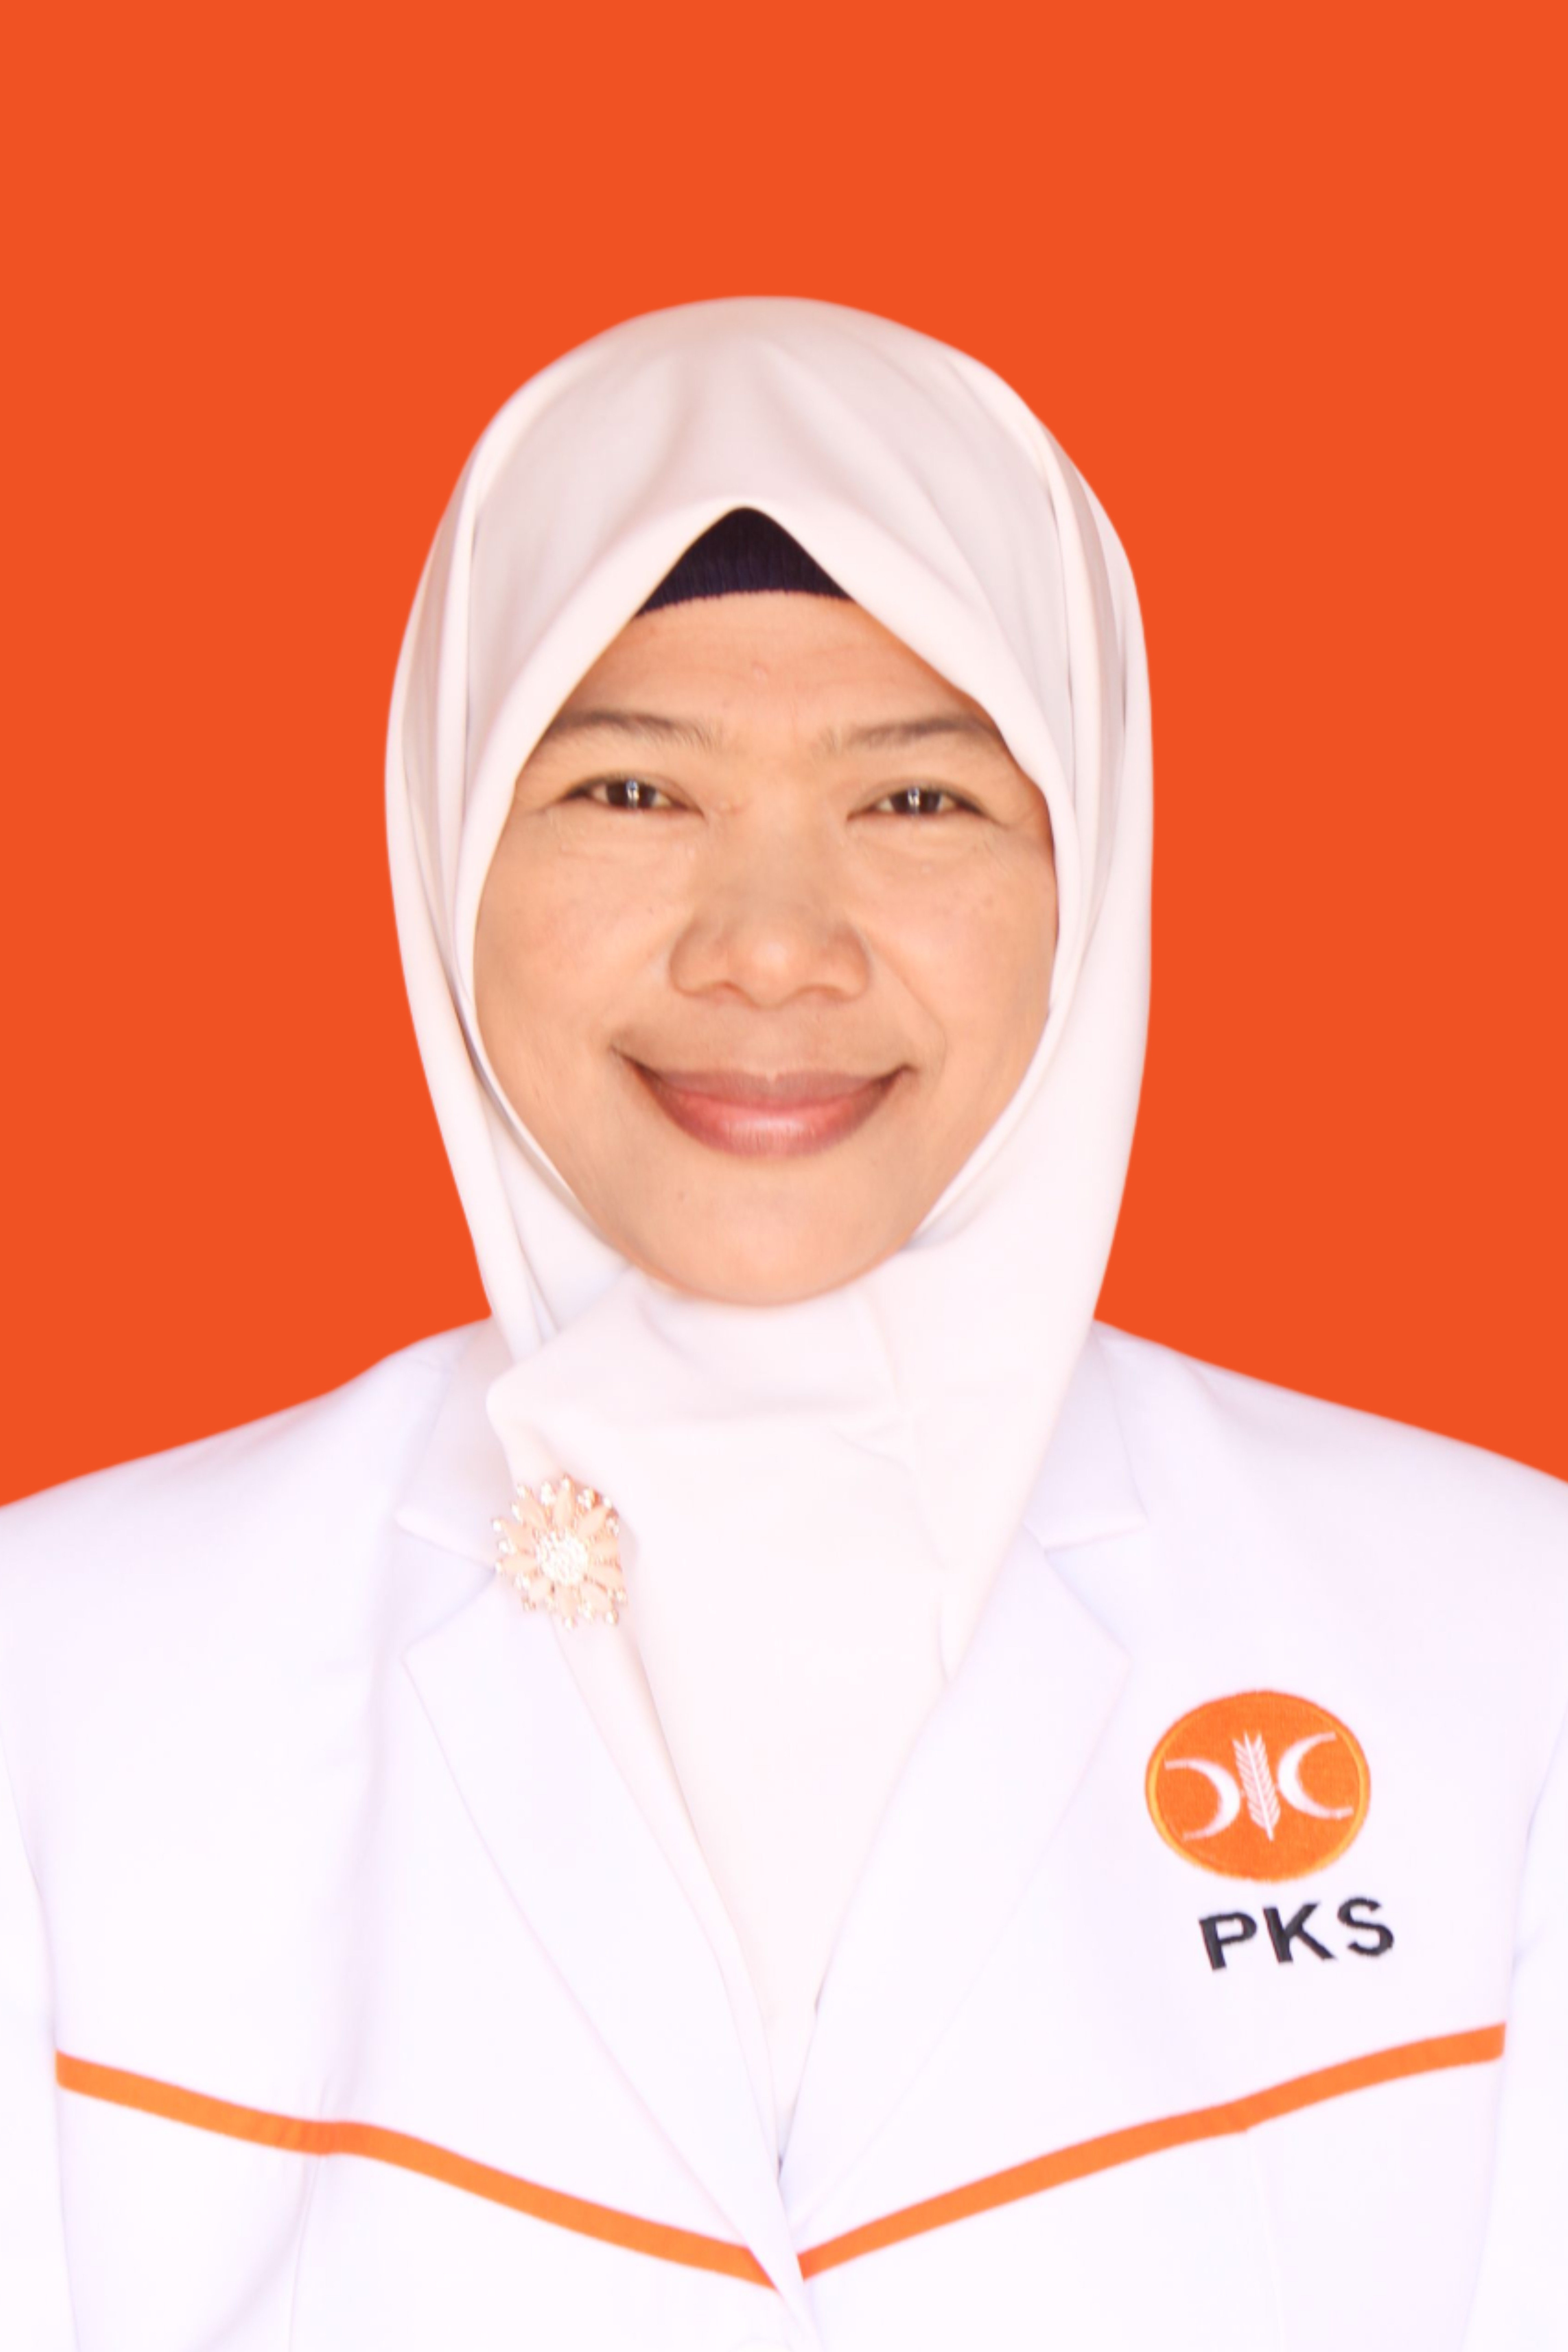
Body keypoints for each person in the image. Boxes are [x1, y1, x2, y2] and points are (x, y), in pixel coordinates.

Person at [1, 298, 1563, 2351]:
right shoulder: (61, 1676)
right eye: (630, 790)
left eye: (914, 804)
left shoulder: (1504, 1639)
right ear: (447, 844)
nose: (767, 949)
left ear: (1086, 865)